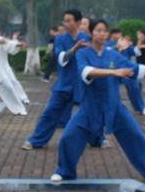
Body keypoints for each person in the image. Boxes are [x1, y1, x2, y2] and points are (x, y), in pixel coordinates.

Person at [51, 18, 145, 182]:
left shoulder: (113, 55)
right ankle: (64, 171)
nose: (102, 34)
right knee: (68, 137)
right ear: (91, 32)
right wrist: (113, 72)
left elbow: (136, 69)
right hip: (90, 107)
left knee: (136, 137)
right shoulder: (83, 53)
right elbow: (87, 72)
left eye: (105, 31)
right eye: (98, 30)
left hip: (114, 107)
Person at [23, 10, 93, 149]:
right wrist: (75, 48)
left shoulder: (88, 38)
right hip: (64, 84)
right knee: (50, 112)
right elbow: (61, 58)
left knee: (91, 112)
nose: (65, 24)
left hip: (83, 84)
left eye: (69, 20)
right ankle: (36, 141)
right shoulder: (60, 39)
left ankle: (97, 139)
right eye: (64, 21)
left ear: (78, 22)